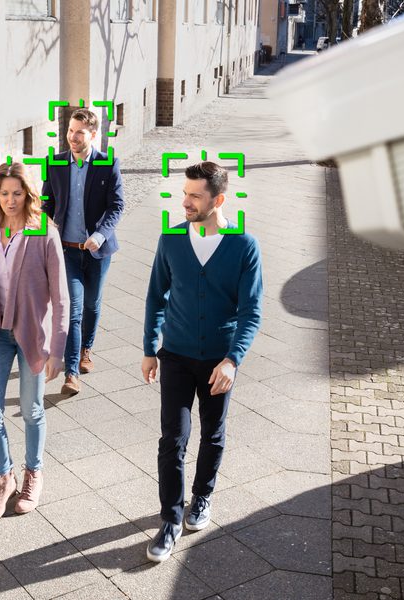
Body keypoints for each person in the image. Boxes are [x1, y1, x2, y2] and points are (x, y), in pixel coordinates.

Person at [141, 161, 264, 562]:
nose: (186, 201)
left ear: (218, 200)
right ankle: (170, 520)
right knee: (171, 440)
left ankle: (202, 498)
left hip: (217, 359)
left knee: (212, 433)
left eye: (195, 195)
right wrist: (148, 348)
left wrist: (233, 359)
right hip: (175, 354)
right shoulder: (171, 239)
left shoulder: (243, 245)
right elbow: (155, 296)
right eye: (185, 193)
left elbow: (251, 311)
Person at [0, 162, 68, 521]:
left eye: (17, 193)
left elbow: (61, 298)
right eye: (4, 193)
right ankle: (3, 477)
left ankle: (33, 474)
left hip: (31, 334)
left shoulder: (45, 232)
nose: (10, 200)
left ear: (28, 195)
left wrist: (58, 348)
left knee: (31, 409)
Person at [41, 108, 125, 395]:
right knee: (73, 309)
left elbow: (117, 206)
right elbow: (46, 200)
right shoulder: (54, 162)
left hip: (98, 251)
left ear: (92, 134)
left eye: (79, 132)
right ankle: (72, 372)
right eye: (69, 131)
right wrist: (47, 220)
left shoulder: (107, 163)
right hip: (66, 250)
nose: (72, 137)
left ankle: (87, 347)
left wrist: (100, 235)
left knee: (92, 304)